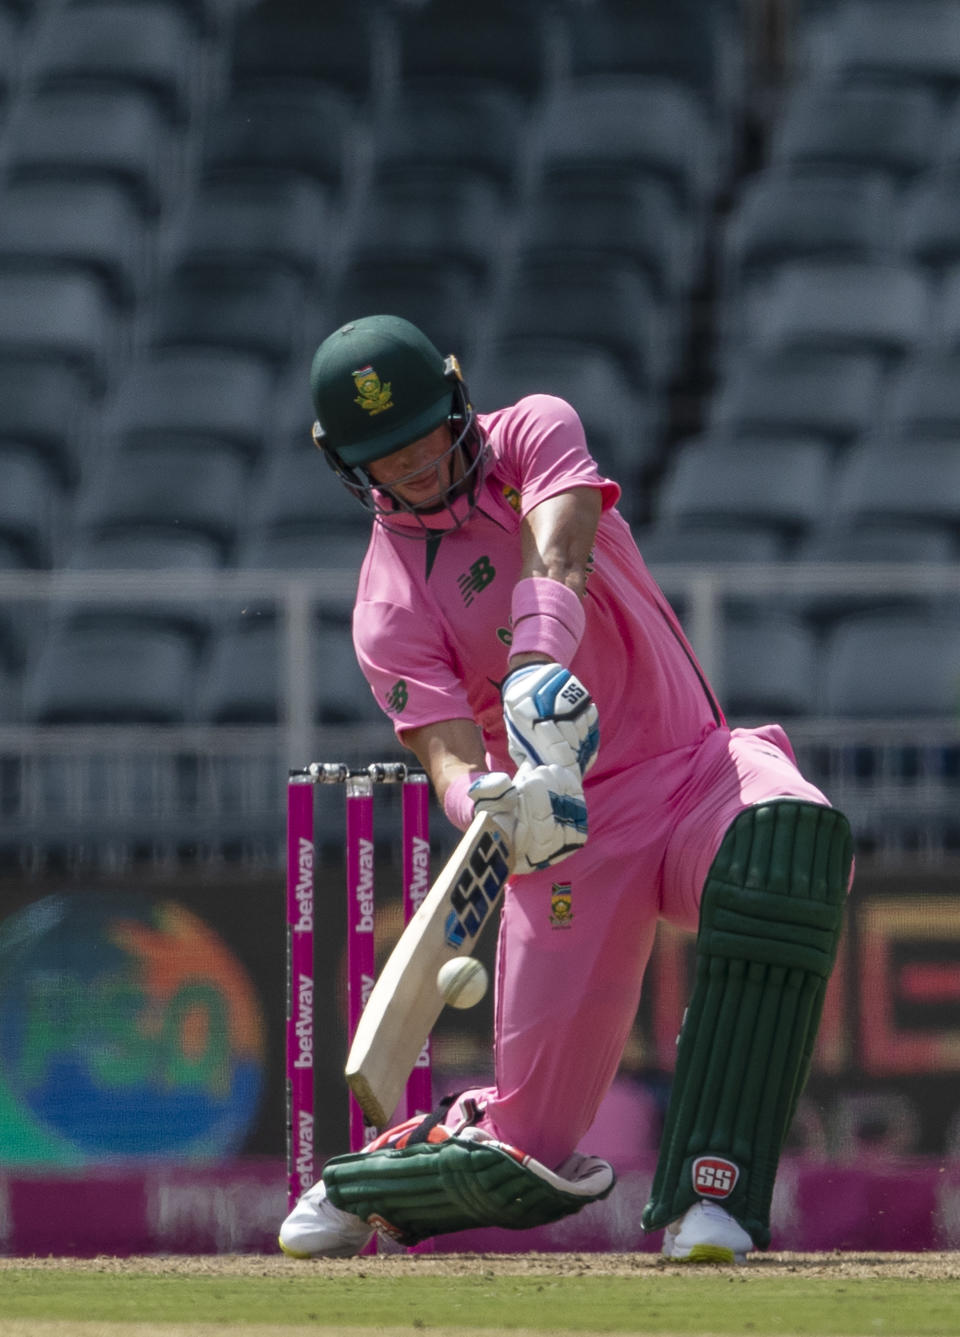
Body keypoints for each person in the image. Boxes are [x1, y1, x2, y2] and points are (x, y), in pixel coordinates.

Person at [278, 314, 853, 1263]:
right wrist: (487, 806)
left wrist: (537, 668)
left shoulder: (533, 430)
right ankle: (387, 1170)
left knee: (788, 845)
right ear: (349, 466)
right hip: (565, 831)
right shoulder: (386, 602)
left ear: (457, 402)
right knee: (526, 1156)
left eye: (423, 429)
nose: (415, 461)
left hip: (696, 766)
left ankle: (713, 1195)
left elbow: (564, 547)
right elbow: (448, 756)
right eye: (386, 453)